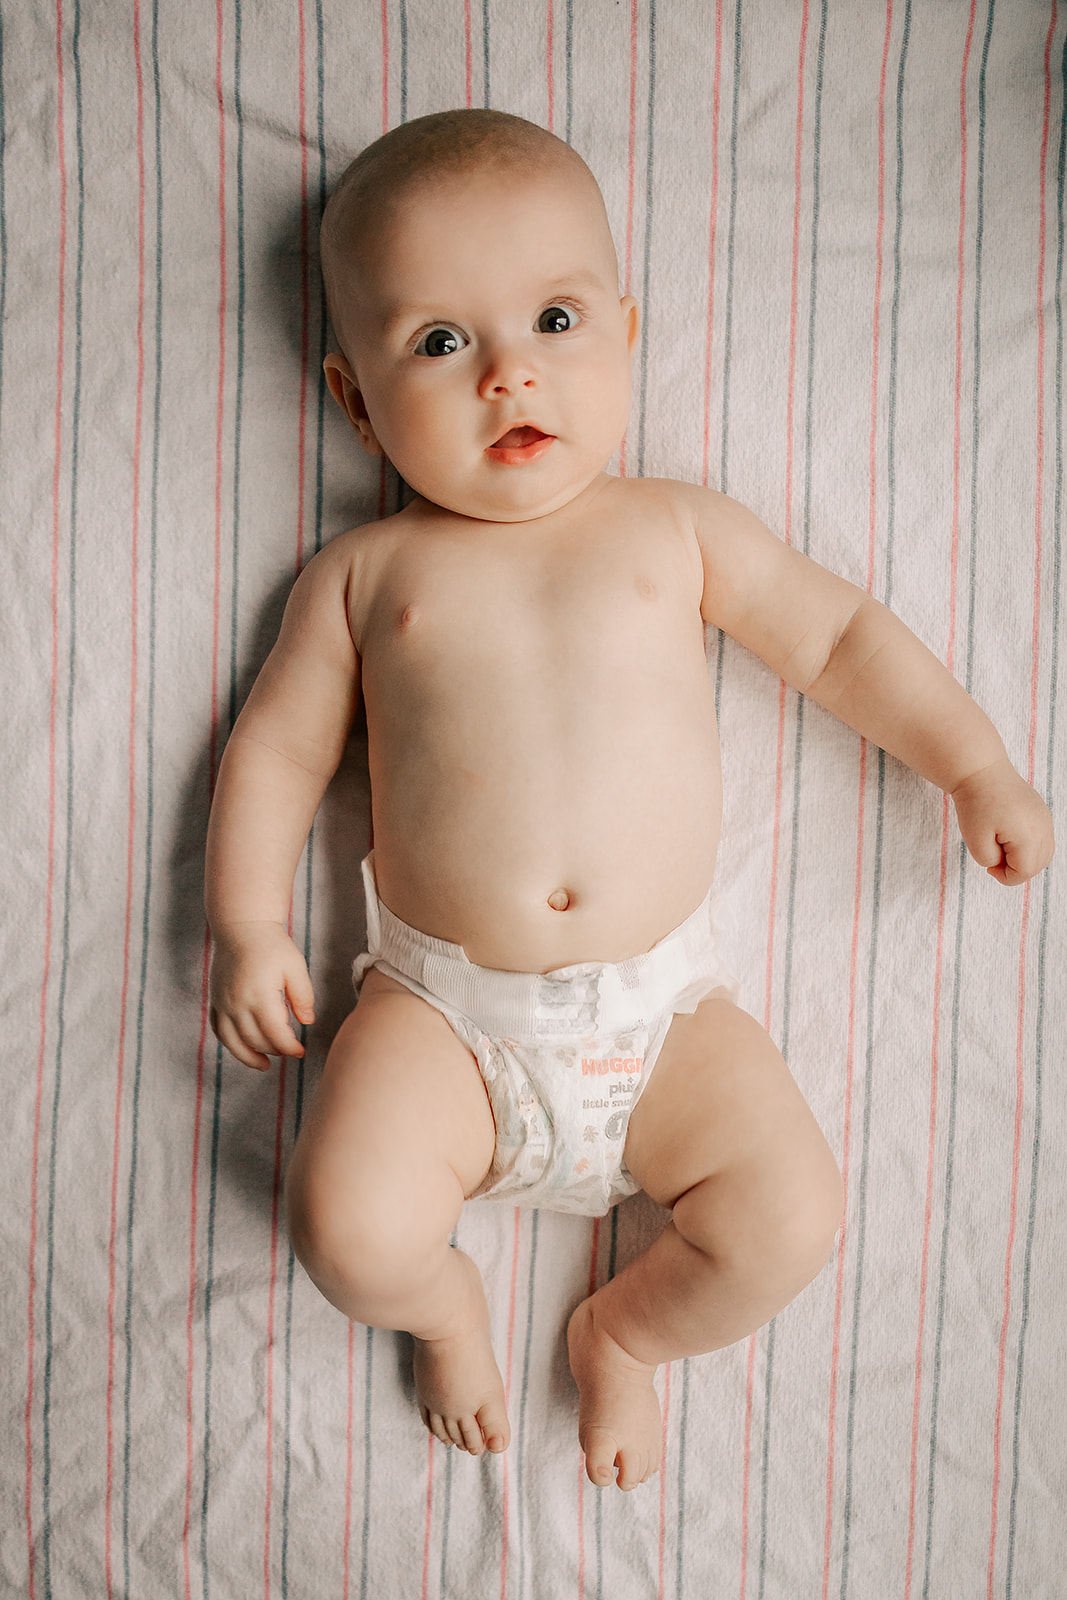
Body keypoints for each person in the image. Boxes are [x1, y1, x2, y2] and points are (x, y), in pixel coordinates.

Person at [205, 109, 1054, 1492]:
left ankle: (628, 1337)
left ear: (629, 332)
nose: (505, 377)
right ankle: (444, 1307)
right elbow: (278, 753)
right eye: (438, 343)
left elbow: (838, 642)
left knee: (790, 1220)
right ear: (357, 402)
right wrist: (251, 928)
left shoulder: (676, 529)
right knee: (343, 1229)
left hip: (661, 1018)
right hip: (439, 1014)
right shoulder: (365, 579)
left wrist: (972, 764)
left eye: (552, 319)